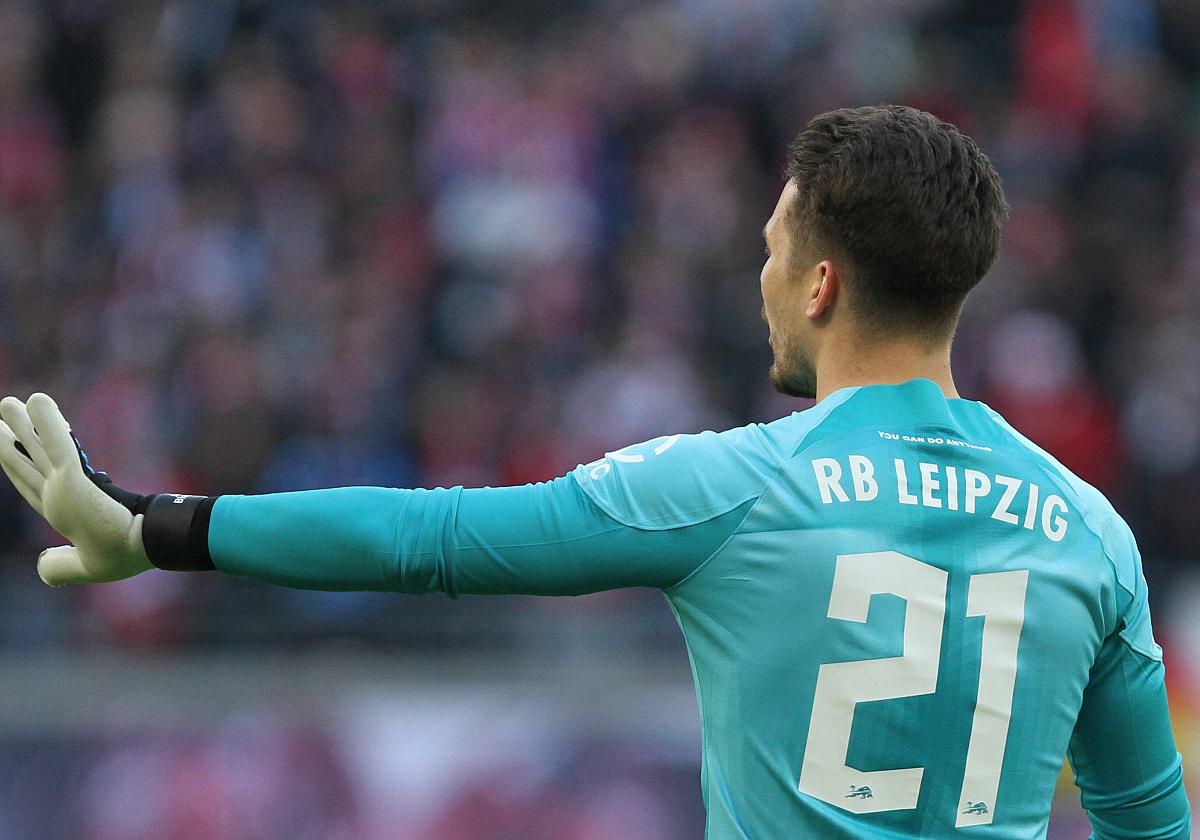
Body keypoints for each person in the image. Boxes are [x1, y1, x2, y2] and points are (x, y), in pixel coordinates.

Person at [0, 105, 1188, 839]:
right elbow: (1146, 820)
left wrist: (154, 529)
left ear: (822, 283)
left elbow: (428, 540)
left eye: (775, 251)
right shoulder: (1088, 529)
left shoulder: (737, 488)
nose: (763, 279)